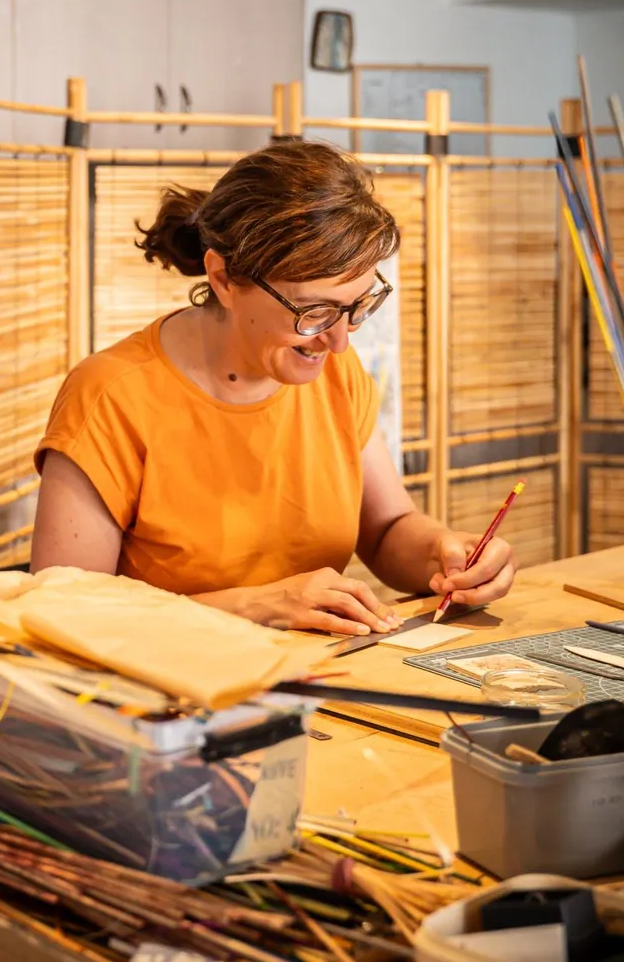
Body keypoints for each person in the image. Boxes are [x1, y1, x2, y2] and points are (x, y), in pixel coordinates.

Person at [28, 140, 516, 634]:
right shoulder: (111, 397)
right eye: (314, 311)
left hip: (315, 683)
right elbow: (63, 614)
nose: (340, 341)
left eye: (358, 306)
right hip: (160, 699)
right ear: (222, 278)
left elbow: (388, 530)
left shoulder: (334, 374)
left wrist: (444, 552)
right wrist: (253, 606)